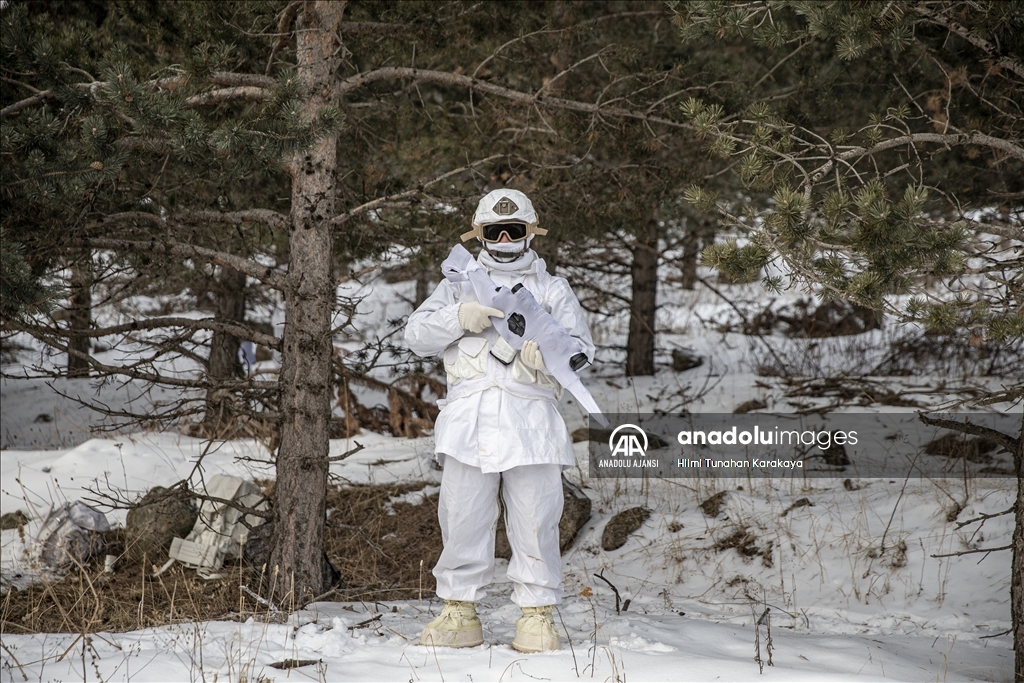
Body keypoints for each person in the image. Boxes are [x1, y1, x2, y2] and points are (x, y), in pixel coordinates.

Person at [404, 189, 595, 652]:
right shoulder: (457, 284)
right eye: (494, 230)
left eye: (514, 230)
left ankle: (537, 617)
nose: (505, 238)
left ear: (531, 232)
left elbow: (582, 351)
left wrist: (546, 358)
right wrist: (458, 316)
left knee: (535, 519)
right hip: (469, 419)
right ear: (479, 233)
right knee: (463, 516)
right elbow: (416, 335)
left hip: (530, 419)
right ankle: (459, 612)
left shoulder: (553, 289)